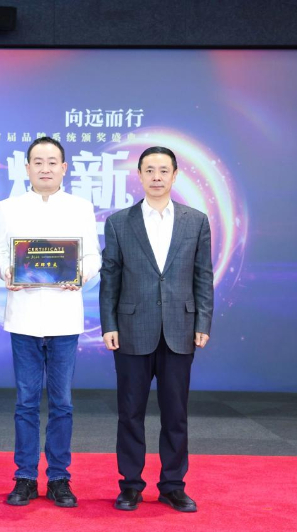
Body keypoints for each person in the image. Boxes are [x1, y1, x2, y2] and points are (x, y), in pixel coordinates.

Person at [0, 137, 101, 508]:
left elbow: (93, 257)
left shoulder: (81, 207)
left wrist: (79, 274)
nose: (45, 168)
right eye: (38, 162)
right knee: (25, 402)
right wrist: (7, 271)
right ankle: (24, 477)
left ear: (64, 168)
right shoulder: (9, 207)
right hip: (23, 317)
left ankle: (59, 478)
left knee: (62, 403)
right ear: (27, 168)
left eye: (53, 162)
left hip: (64, 317)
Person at [100, 146, 214, 513]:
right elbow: (110, 277)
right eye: (149, 170)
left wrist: (202, 321)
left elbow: (203, 276)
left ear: (175, 175)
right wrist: (109, 324)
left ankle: (173, 485)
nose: (156, 177)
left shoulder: (196, 221)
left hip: (180, 328)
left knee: (176, 414)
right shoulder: (119, 222)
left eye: (164, 170)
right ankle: (130, 485)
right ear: (139, 175)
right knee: (130, 413)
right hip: (131, 328)